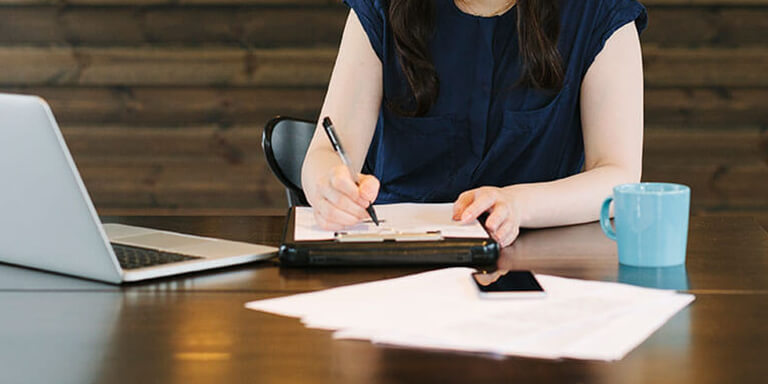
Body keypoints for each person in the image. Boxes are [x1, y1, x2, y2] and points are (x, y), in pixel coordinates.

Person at [301, 0, 647, 247]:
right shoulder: (381, 7)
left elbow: (619, 177)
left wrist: (519, 204)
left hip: (542, 259)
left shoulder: (601, 11)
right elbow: (326, 151)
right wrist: (327, 184)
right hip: (398, 253)